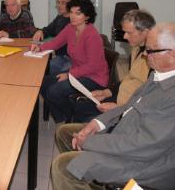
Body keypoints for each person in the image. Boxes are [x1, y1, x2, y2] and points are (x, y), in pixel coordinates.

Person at [51, 22, 175, 190]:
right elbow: (129, 106)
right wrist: (98, 123)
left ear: (172, 54)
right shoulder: (159, 74)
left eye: (151, 50)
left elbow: (144, 145)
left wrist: (92, 142)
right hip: (128, 140)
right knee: (66, 134)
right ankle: (94, 178)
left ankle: (90, 173)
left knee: (63, 167)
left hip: (144, 165)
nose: (145, 54)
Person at [31, 0, 108, 123]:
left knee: (54, 91)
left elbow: (92, 65)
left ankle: (73, 117)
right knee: (42, 83)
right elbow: (55, 43)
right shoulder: (70, 28)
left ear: (87, 16)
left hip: (94, 78)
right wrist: (38, 48)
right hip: (77, 72)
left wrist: (69, 75)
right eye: (71, 12)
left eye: (78, 13)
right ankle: (63, 118)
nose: (73, 16)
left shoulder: (92, 35)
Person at [72, 10, 155, 122]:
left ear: (145, 32)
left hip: (131, 109)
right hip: (121, 98)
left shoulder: (155, 59)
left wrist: (120, 109)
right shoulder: (137, 48)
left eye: (129, 33)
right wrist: (107, 92)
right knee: (82, 107)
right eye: (124, 32)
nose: (125, 36)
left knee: (91, 120)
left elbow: (150, 98)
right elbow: (130, 78)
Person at [33, 0, 76, 74]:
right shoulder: (60, 17)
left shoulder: (74, 22)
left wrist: (42, 47)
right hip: (60, 56)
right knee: (42, 68)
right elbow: (49, 30)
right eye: (58, 2)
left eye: (63, 3)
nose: (59, 5)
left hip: (71, 59)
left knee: (47, 71)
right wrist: (40, 31)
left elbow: (58, 42)